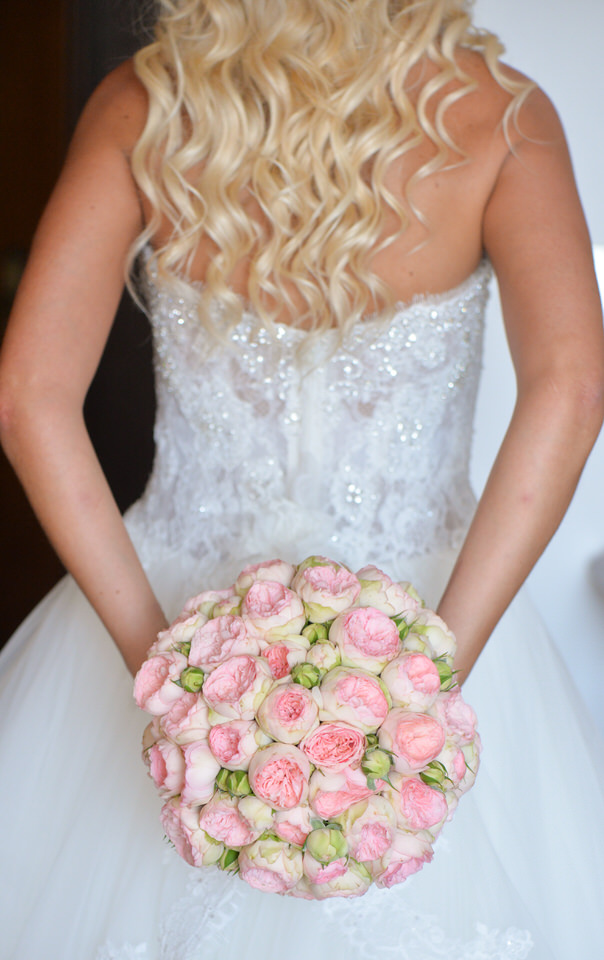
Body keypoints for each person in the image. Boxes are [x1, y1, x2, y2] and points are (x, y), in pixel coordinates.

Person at [0, 1, 603, 958]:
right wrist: (422, 682)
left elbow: (29, 395)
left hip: (161, 601)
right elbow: (571, 392)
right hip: (438, 607)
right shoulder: (502, 116)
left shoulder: (143, 106)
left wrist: (177, 681)